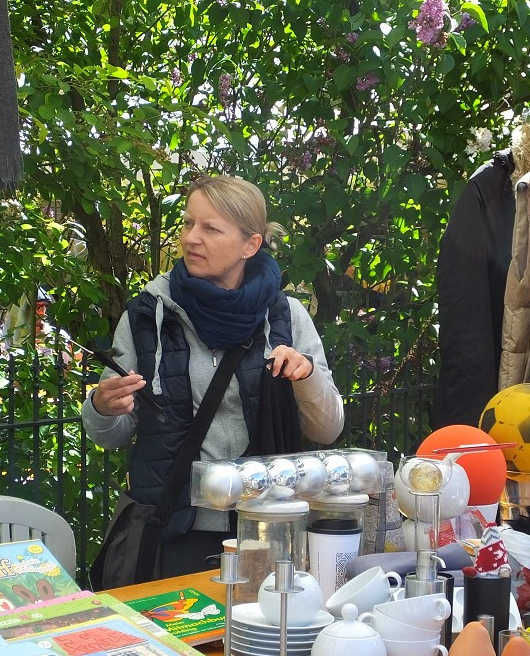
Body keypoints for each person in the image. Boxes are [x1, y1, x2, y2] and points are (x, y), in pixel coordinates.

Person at [82, 175, 344, 586]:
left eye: (210, 228)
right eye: (188, 224)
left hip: (267, 531)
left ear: (250, 245)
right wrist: (101, 407)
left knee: (255, 648)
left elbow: (328, 429)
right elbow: (111, 435)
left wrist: (305, 377)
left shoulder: (285, 318)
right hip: (172, 534)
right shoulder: (149, 316)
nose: (191, 238)